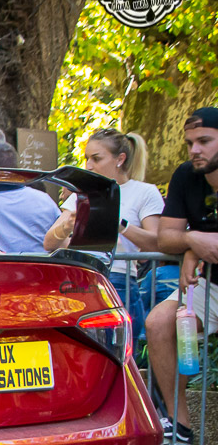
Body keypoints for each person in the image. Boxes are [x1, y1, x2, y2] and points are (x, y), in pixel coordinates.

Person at [42, 129, 162, 347]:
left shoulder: (144, 192)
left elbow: (155, 243)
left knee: (120, 354)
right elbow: (49, 242)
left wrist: (119, 224)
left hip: (118, 280)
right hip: (80, 280)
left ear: (120, 159)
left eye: (96, 159)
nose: (88, 166)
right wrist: (68, 225)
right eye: (87, 158)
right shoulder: (82, 194)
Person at [145, 107, 218, 442]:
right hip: (209, 284)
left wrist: (194, 247)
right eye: (190, 143)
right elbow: (165, 237)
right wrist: (193, 242)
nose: (194, 150)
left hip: (204, 275)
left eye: (204, 141)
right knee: (158, 322)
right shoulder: (186, 175)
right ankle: (180, 425)